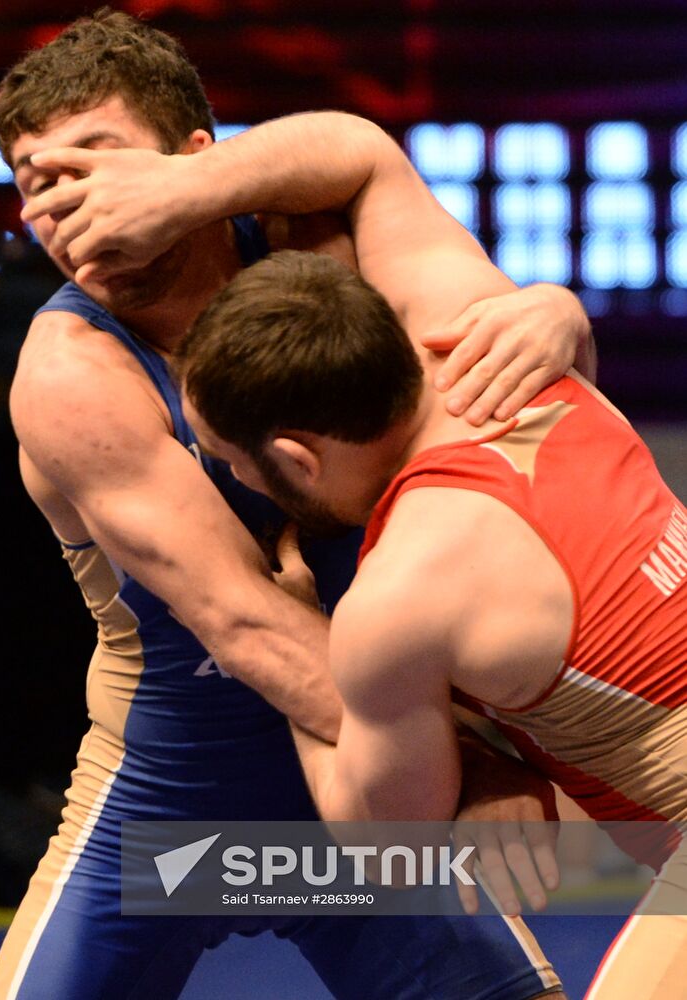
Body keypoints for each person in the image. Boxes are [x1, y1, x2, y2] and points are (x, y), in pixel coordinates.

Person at [0, 10, 594, 999]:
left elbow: (362, 152)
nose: (63, 203)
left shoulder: (317, 247)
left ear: (194, 163)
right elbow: (244, 620)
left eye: (94, 161)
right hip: (173, 809)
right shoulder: (71, 372)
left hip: (363, 784)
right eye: (35, 183)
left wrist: (555, 311)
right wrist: (471, 764)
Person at [172, 193, 687, 997]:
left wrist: (299, 627)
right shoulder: (523, 358)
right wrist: (558, 306)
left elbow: (387, 847)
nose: (235, 483)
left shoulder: (398, 597)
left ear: (296, 461)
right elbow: (364, 157)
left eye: (231, 460)